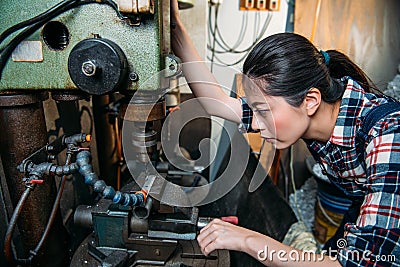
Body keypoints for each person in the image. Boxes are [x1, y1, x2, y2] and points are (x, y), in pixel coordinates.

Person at [170, 1, 400, 266]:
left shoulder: (388, 135)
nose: (255, 124)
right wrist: (174, 27)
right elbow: (217, 103)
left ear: (310, 101)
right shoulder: (311, 110)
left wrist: (247, 239)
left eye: (263, 111)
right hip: (360, 210)